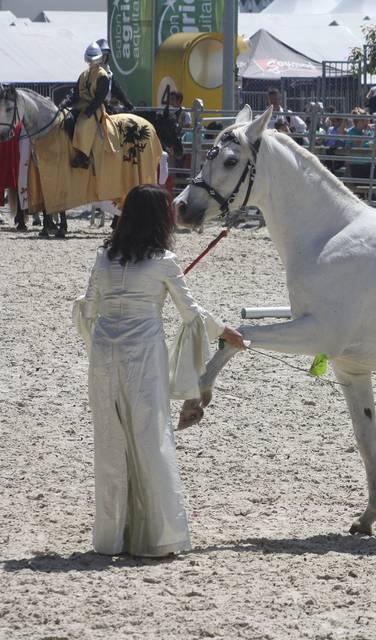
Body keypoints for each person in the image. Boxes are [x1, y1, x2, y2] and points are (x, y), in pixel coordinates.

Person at [73, 184, 245, 557]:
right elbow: (191, 314)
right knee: (150, 439)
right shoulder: (165, 260)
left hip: (104, 356)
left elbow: (87, 309)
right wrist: (224, 331)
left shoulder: (104, 258)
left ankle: (112, 538)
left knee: (110, 441)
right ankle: (156, 536)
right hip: (143, 358)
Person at [59, 42, 112, 169]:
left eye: (92, 59)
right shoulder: (83, 74)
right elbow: (75, 93)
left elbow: (99, 98)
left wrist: (88, 111)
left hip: (94, 108)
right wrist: (64, 103)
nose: (90, 62)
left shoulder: (103, 76)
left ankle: (84, 156)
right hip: (80, 106)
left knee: (82, 125)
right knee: (67, 120)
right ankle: (73, 149)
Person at [95, 38, 134, 113]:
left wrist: (128, 104)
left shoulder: (109, 74)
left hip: (104, 108)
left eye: (105, 56)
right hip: (91, 108)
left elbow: (117, 90)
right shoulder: (90, 73)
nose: (103, 59)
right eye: (101, 56)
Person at [345, 107, 374, 182]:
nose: (368, 122)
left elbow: (374, 145)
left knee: (371, 190)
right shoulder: (351, 132)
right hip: (356, 165)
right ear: (359, 121)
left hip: (370, 164)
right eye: (366, 120)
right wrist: (365, 134)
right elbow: (358, 147)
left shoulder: (370, 131)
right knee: (359, 190)